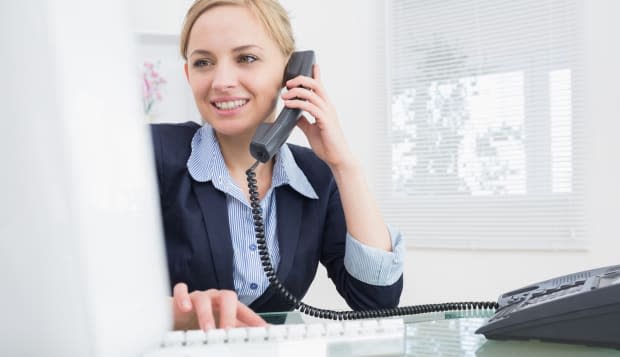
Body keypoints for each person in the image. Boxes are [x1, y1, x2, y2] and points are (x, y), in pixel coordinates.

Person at [150, 0, 405, 331]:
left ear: (291, 71)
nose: (221, 81)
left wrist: (345, 165)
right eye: (203, 62)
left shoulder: (316, 176)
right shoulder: (147, 153)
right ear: (188, 74)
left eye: (247, 58)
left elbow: (377, 301)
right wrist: (170, 312)